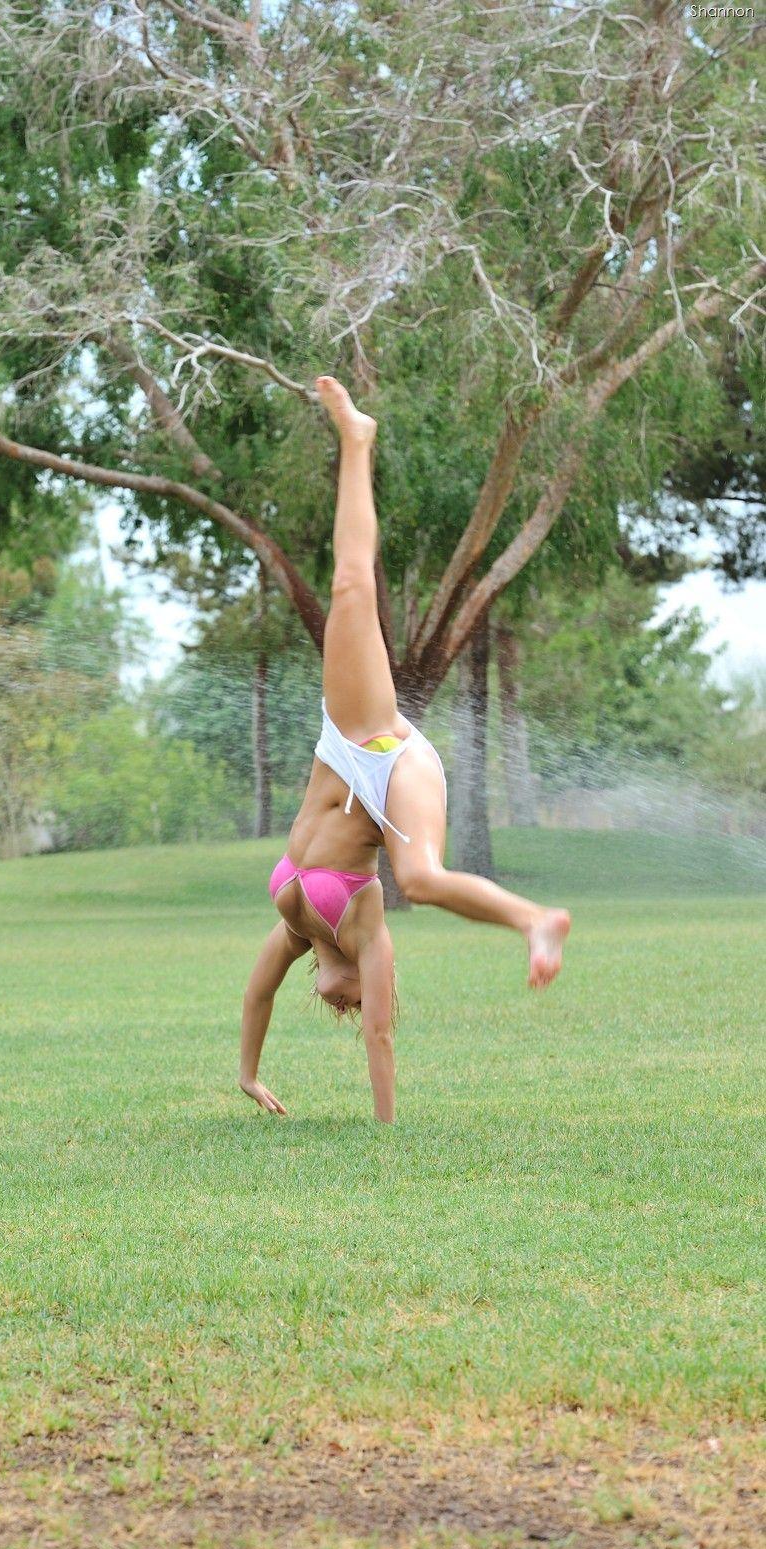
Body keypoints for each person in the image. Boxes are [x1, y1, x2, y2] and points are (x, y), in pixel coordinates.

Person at [239, 377, 571, 1123]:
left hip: (359, 744)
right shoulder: (358, 934)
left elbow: (278, 1001)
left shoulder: (305, 928)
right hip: (387, 758)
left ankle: (357, 439)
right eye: (359, 1004)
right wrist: (251, 1076)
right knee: (418, 878)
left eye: (349, 1008)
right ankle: (532, 920)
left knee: (352, 589)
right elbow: (365, 1025)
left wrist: (250, 1076)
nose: (353, 1010)